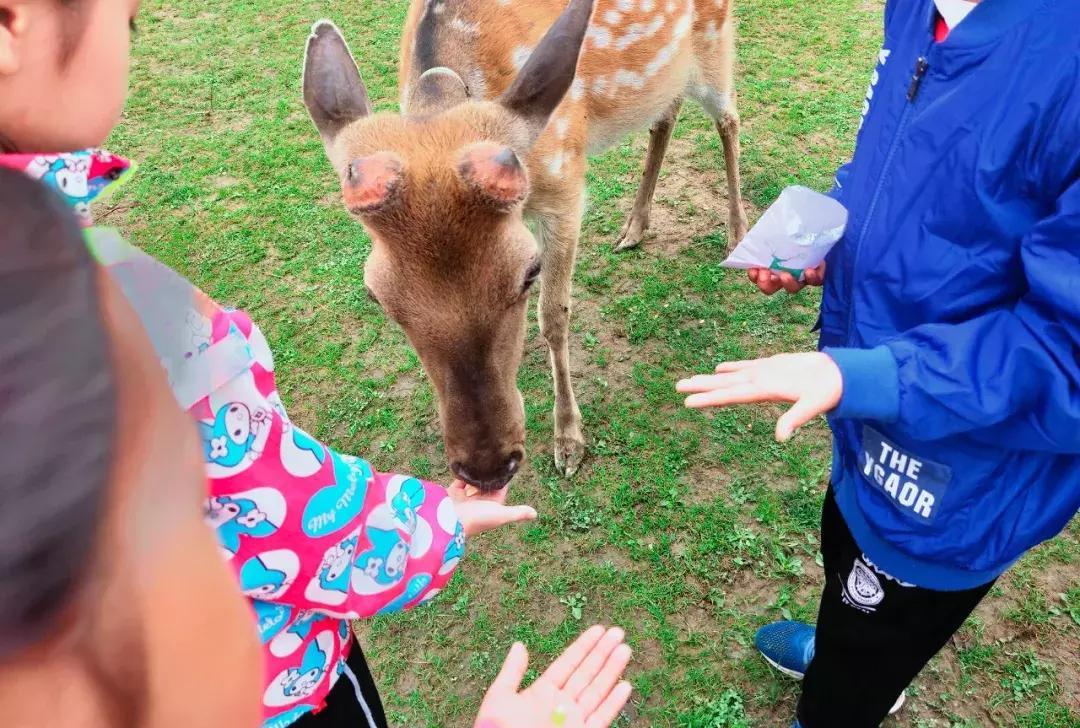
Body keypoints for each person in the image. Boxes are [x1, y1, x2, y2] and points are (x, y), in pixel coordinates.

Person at [0, 2, 634, 726]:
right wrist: (429, 523)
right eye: (132, 22)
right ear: (9, 24)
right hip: (283, 692)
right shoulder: (120, 313)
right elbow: (283, 510)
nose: (130, 33)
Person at [678, 0, 1080, 726]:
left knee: (880, 618)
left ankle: (847, 688)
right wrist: (834, 234)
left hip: (960, 474)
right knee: (851, 556)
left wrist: (857, 377)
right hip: (875, 415)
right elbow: (898, 166)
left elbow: (1068, 362)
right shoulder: (919, 9)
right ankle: (854, 652)